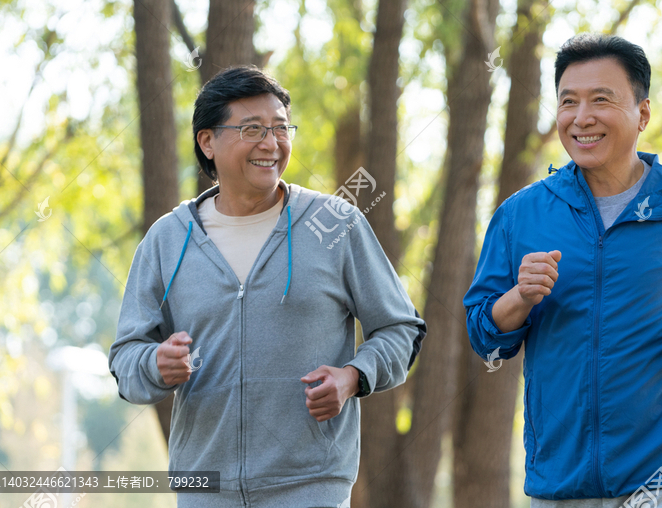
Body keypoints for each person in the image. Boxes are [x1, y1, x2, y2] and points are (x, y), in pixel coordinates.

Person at [464, 33, 662, 507]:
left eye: (601, 100)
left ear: (642, 114)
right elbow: (483, 331)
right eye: (568, 102)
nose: (581, 117)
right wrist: (519, 297)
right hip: (558, 486)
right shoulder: (521, 216)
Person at [108, 65, 426, 508]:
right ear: (208, 141)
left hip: (310, 488)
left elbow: (401, 328)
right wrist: (155, 365)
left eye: (280, 128)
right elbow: (125, 357)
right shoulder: (167, 240)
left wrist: (353, 377)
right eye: (253, 129)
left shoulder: (334, 225)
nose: (271, 144)